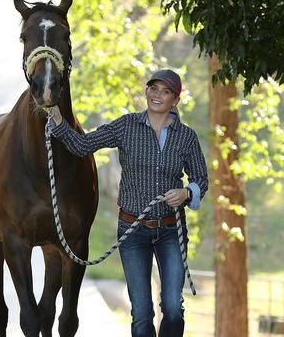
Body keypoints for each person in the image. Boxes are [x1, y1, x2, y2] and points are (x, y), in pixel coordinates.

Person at [45, 69, 208, 337]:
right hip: (134, 232)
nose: (157, 95)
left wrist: (187, 193)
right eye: (153, 88)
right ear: (146, 92)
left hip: (171, 231)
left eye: (165, 91)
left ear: (175, 100)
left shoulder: (186, 137)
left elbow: (201, 178)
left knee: (173, 308)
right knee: (142, 313)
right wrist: (59, 121)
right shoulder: (126, 126)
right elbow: (83, 146)